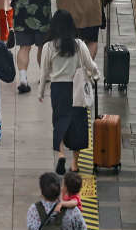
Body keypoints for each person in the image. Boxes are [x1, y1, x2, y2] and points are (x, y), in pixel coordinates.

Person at [37, 9, 99, 175]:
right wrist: (96, 75)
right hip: (76, 87)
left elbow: (44, 71)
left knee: (60, 122)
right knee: (77, 123)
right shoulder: (79, 44)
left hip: (58, 89)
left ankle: (61, 154)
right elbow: (90, 65)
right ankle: (75, 164)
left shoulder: (49, 46)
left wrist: (41, 91)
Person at [50, 0, 118, 58]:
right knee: (91, 41)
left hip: (67, 14)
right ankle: (86, 70)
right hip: (91, 11)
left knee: (68, 42)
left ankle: (72, 69)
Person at [9, 0, 52, 94]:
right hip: (42, 14)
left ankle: (23, 78)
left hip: (21, 14)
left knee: (24, 47)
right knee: (42, 46)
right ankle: (45, 76)